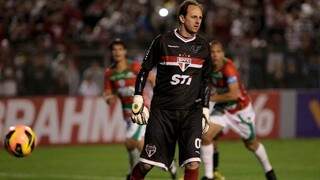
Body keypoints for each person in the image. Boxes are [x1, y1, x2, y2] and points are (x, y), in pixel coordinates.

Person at [129, 1, 212, 180]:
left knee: (193, 162)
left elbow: (206, 79)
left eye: (200, 18)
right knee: (146, 164)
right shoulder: (162, 41)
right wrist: (138, 97)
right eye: (193, 17)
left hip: (191, 112)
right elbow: (144, 70)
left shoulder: (204, 46)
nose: (198, 21)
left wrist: (205, 108)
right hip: (162, 112)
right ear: (182, 18)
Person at [200, 40, 277, 180]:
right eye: (212, 52)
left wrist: (211, 98)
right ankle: (209, 176)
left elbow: (234, 94)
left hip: (240, 110)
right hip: (223, 109)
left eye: (218, 52)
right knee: (206, 136)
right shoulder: (207, 66)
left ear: (223, 53)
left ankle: (269, 171)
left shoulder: (228, 68)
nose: (215, 55)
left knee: (251, 145)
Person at [103, 39, 176, 180]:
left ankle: (132, 175)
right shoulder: (109, 73)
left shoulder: (135, 67)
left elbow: (153, 79)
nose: (117, 52)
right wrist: (116, 94)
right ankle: (168, 161)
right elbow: (108, 97)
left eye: (119, 49)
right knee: (143, 147)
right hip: (126, 115)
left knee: (130, 142)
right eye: (114, 50)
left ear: (124, 51)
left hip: (142, 110)